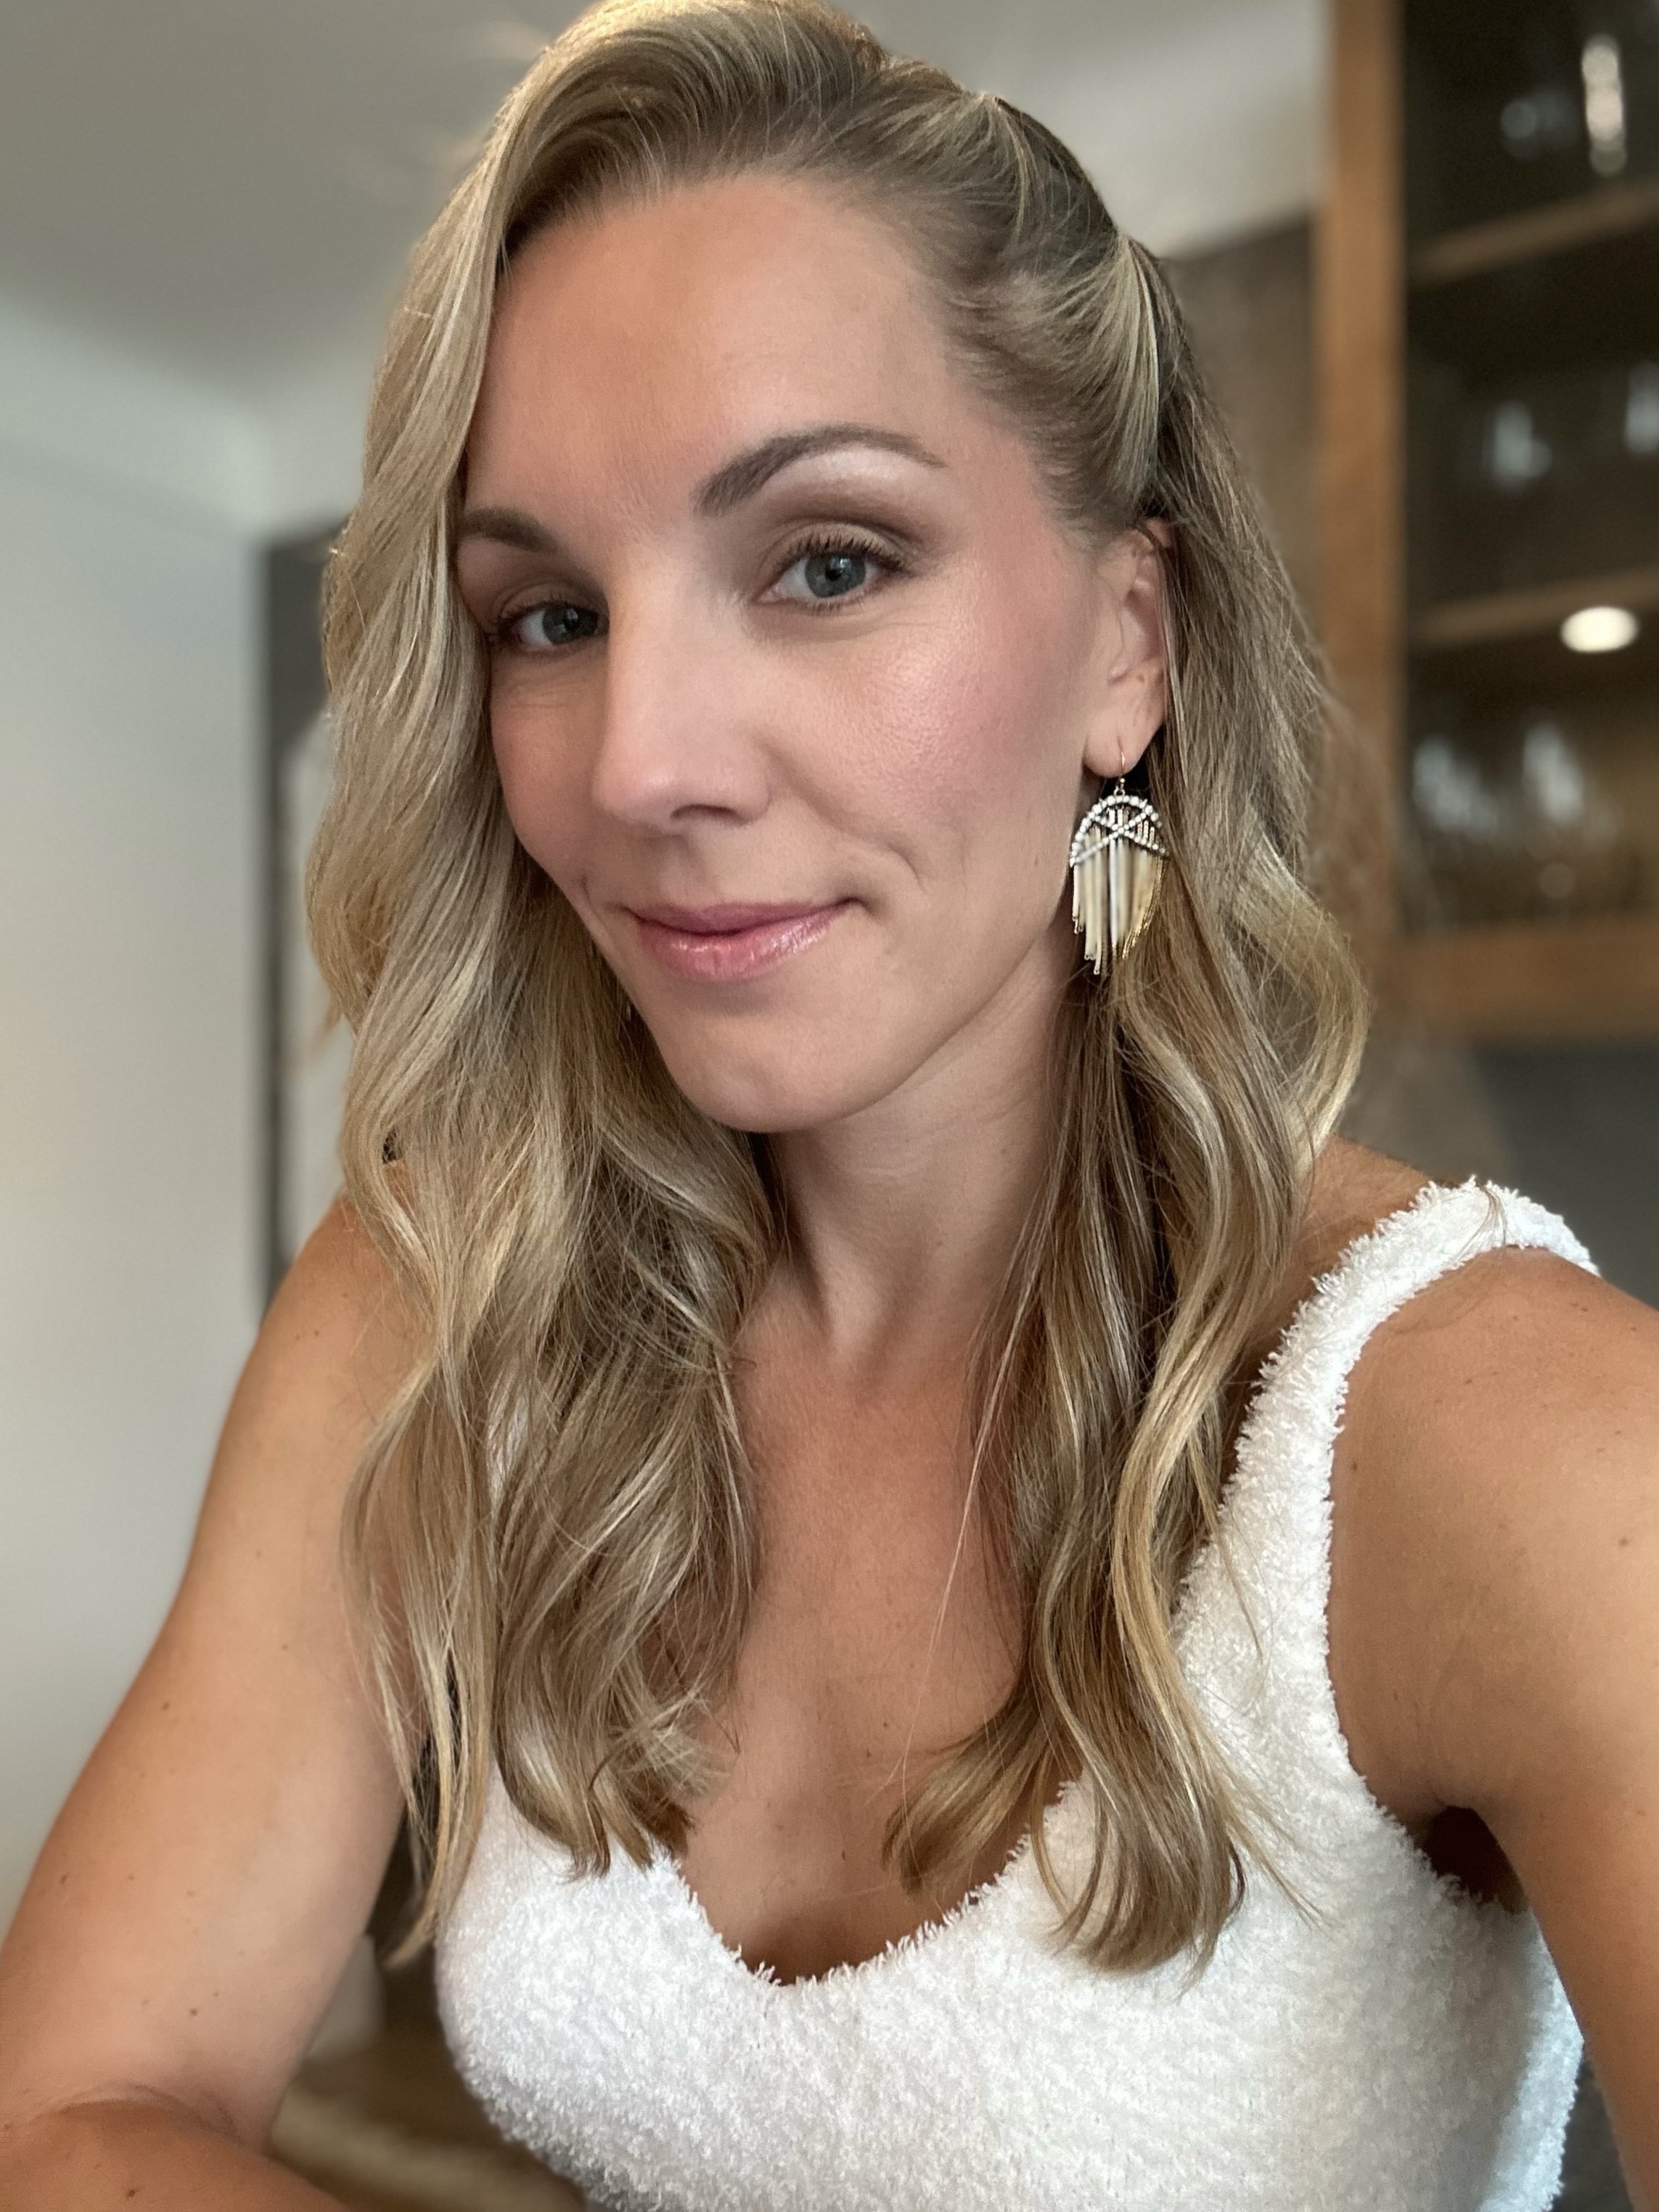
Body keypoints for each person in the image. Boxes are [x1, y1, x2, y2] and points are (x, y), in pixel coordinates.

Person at [1, 2, 1655, 2205]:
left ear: (1128, 645)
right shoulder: (444, 1301)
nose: (640, 762)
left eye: (829, 564)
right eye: (548, 614)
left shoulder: (1486, 1434)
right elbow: (75, 2106)